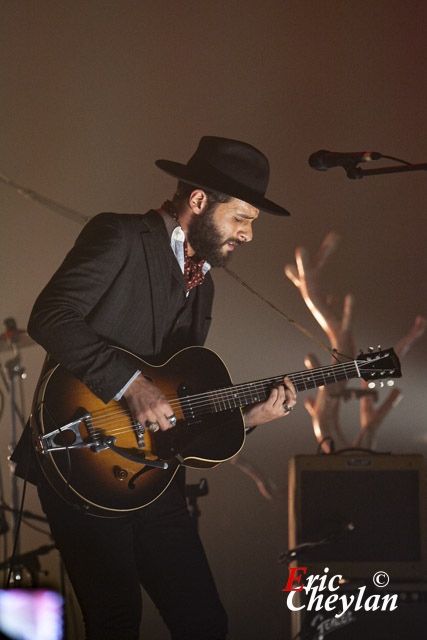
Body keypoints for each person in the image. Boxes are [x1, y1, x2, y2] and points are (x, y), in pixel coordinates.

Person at [15, 136, 297, 639]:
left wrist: (245, 420)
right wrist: (131, 384)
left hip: (156, 477)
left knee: (205, 622)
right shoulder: (121, 236)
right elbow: (50, 316)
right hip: (83, 460)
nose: (249, 234)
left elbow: (176, 400)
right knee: (116, 623)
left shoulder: (204, 284)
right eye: (243, 218)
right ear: (198, 201)